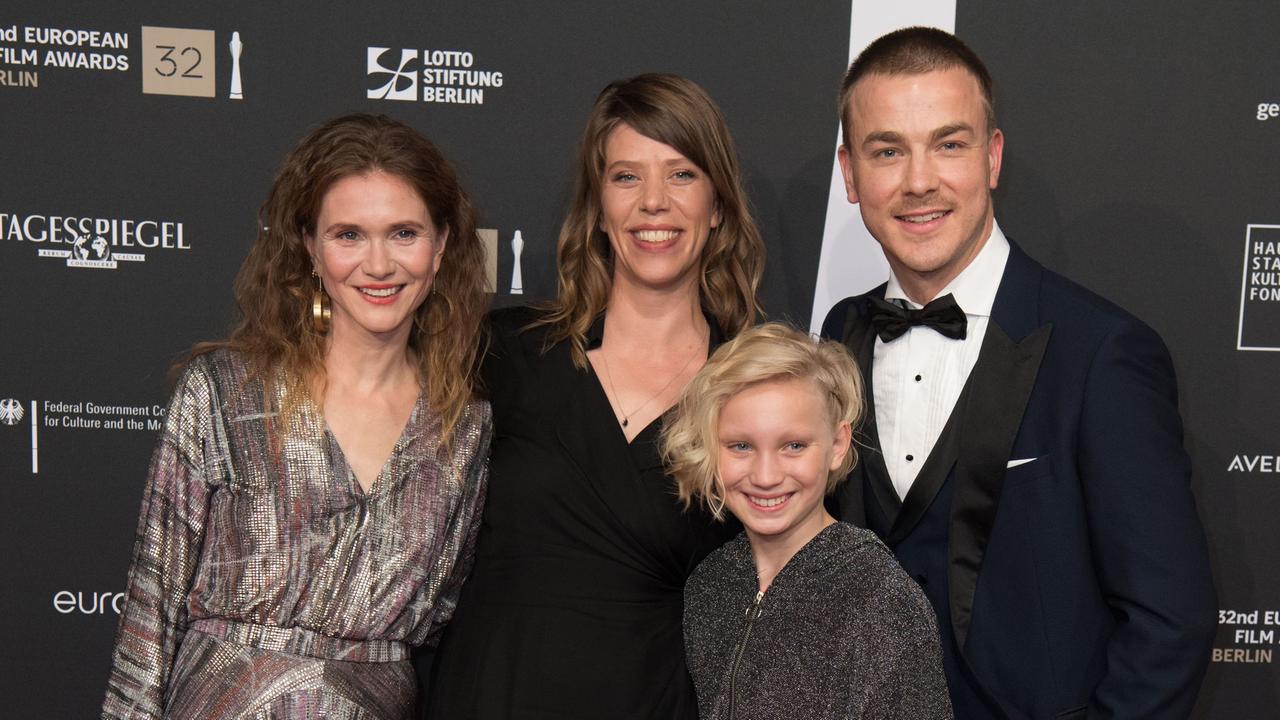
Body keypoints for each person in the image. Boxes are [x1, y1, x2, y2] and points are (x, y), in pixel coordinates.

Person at [821, 27, 1217, 719]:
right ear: (851, 174)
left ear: (993, 156)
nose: (919, 181)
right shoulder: (839, 334)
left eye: (949, 144)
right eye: (888, 151)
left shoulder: (1101, 352)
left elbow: (1169, 621)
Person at [101, 114, 492, 719]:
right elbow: (152, 605)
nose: (379, 265)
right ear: (310, 247)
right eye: (349, 235)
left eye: (403, 233)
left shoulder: (462, 425)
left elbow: (441, 615)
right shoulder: (228, 393)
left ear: (440, 245)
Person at [425, 73, 765, 719]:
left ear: (718, 205)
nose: (654, 202)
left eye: (682, 175)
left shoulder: (754, 391)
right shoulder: (501, 354)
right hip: (489, 693)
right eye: (626, 177)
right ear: (599, 207)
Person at [666, 322, 953, 720]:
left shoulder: (881, 601)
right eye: (741, 446)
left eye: (794, 446)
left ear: (837, 445)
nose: (766, 476)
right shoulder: (709, 585)